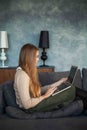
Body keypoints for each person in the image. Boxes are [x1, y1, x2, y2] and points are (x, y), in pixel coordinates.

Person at [13, 43, 83, 114]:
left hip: (36, 103)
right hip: (32, 108)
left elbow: (38, 90)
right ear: (30, 57)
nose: (38, 59)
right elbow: (27, 104)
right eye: (36, 56)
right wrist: (44, 96)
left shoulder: (27, 72)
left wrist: (59, 82)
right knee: (71, 89)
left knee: (69, 88)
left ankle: (78, 102)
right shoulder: (22, 75)